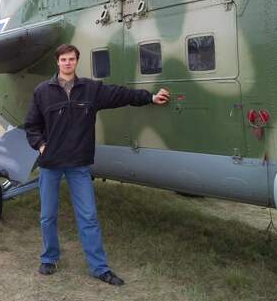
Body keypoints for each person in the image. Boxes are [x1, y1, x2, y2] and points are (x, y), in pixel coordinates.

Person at [24, 43, 170, 286]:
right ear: (57, 62)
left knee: (89, 217)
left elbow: (121, 94)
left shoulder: (90, 89)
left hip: (78, 165)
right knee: (48, 216)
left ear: (76, 61)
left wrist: (150, 97)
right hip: (50, 164)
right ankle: (49, 258)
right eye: (63, 59)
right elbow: (31, 125)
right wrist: (40, 145)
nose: (67, 63)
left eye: (71, 59)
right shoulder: (42, 92)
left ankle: (99, 268)